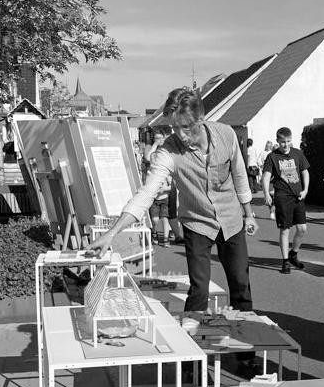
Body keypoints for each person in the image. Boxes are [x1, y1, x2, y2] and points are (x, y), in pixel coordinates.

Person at [87, 88, 259, 368]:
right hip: (197, 223)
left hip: (231, 221)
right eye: (174, 127)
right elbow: (146, 194)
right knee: (199, 288)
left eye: (186, 127)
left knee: (241, 285)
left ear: (201, 119)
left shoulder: (226, 135)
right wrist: (112, 232)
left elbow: (240, 176)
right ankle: (191, 358)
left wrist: (249, 213)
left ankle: (246, 356)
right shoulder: (168, 151)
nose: (180, 134)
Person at [262, 127, 310, 274]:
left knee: (302, 229)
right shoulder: (272, 157)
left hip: (298, 196)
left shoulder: (297, 153)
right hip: (282, 197)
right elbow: (265, 177)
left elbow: (305, 172)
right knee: (285, 230)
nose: (286, 144)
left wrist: (305, 189)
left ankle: (293, 254)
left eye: (288, 141)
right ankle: (285, 262)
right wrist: (266, 194)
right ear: (277, 141)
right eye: (283, 142)